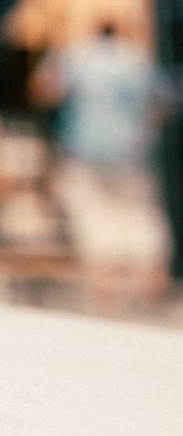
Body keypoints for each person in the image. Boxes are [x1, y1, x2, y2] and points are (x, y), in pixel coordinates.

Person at [46, 19, 170, 298]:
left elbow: (48, 90)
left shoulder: (76, 56)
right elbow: (162, 99)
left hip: (86, 147)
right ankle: (149, 274)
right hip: (132, 148)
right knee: (138, 209)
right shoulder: (137, 58)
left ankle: (105, 279)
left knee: (93, 210)